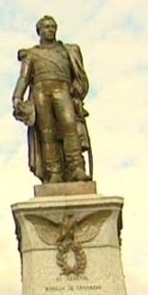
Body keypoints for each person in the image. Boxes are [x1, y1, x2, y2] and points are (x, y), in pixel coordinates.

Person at [12, 15, 92, 183]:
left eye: (53, 26)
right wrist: (17, 96)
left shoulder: (66, 50)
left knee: (69, 126)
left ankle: (76, 167)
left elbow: (78, 76)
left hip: (62, 90)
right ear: (39, 31)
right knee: (46, 132)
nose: (50, 30)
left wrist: (76, 91)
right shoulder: (33, 54)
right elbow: (24, 78)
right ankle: (53, 172)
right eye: (47, 27)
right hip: (41, 92)